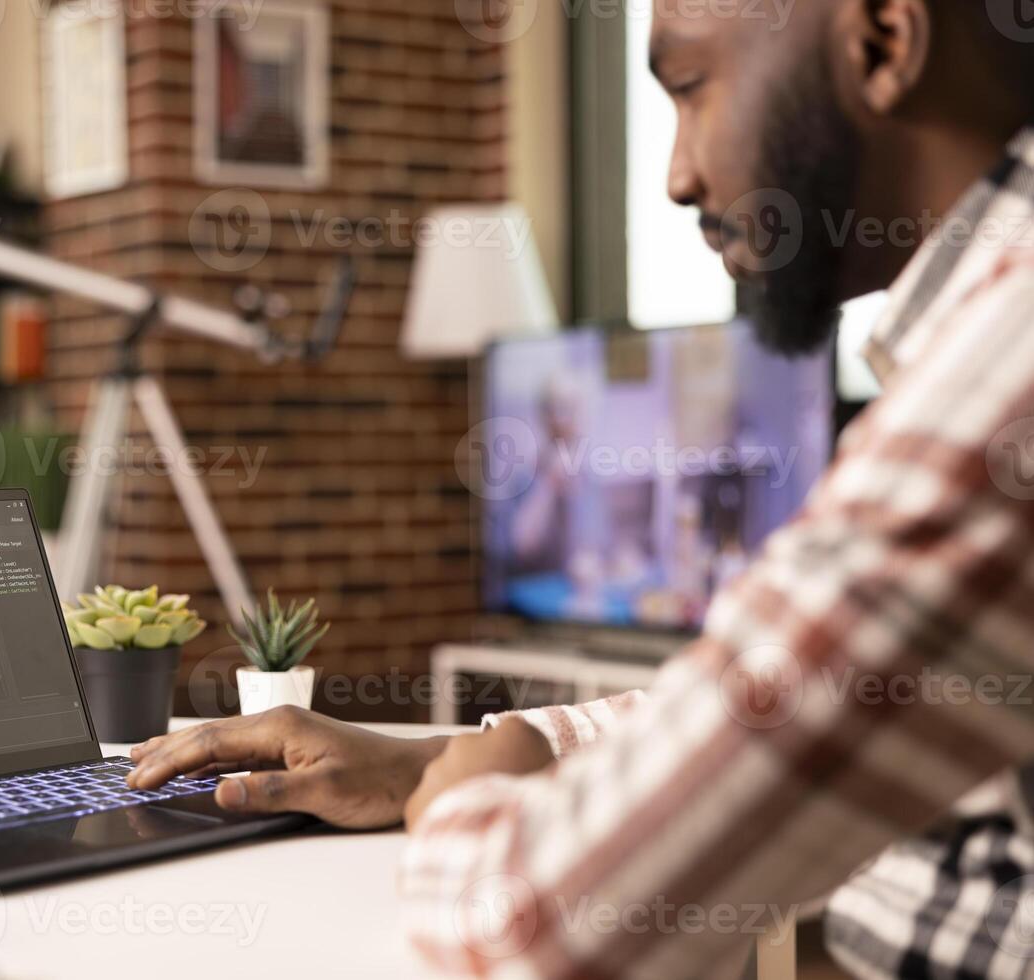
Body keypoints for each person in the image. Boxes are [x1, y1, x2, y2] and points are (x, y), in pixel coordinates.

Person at [127, 1, 1034, 975]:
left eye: (691, 87)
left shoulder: (1005, 377)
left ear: (883, 44)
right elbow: (770, 687)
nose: (678, 176)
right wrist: (442, 756)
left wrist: (461, 802)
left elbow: (534, 931)